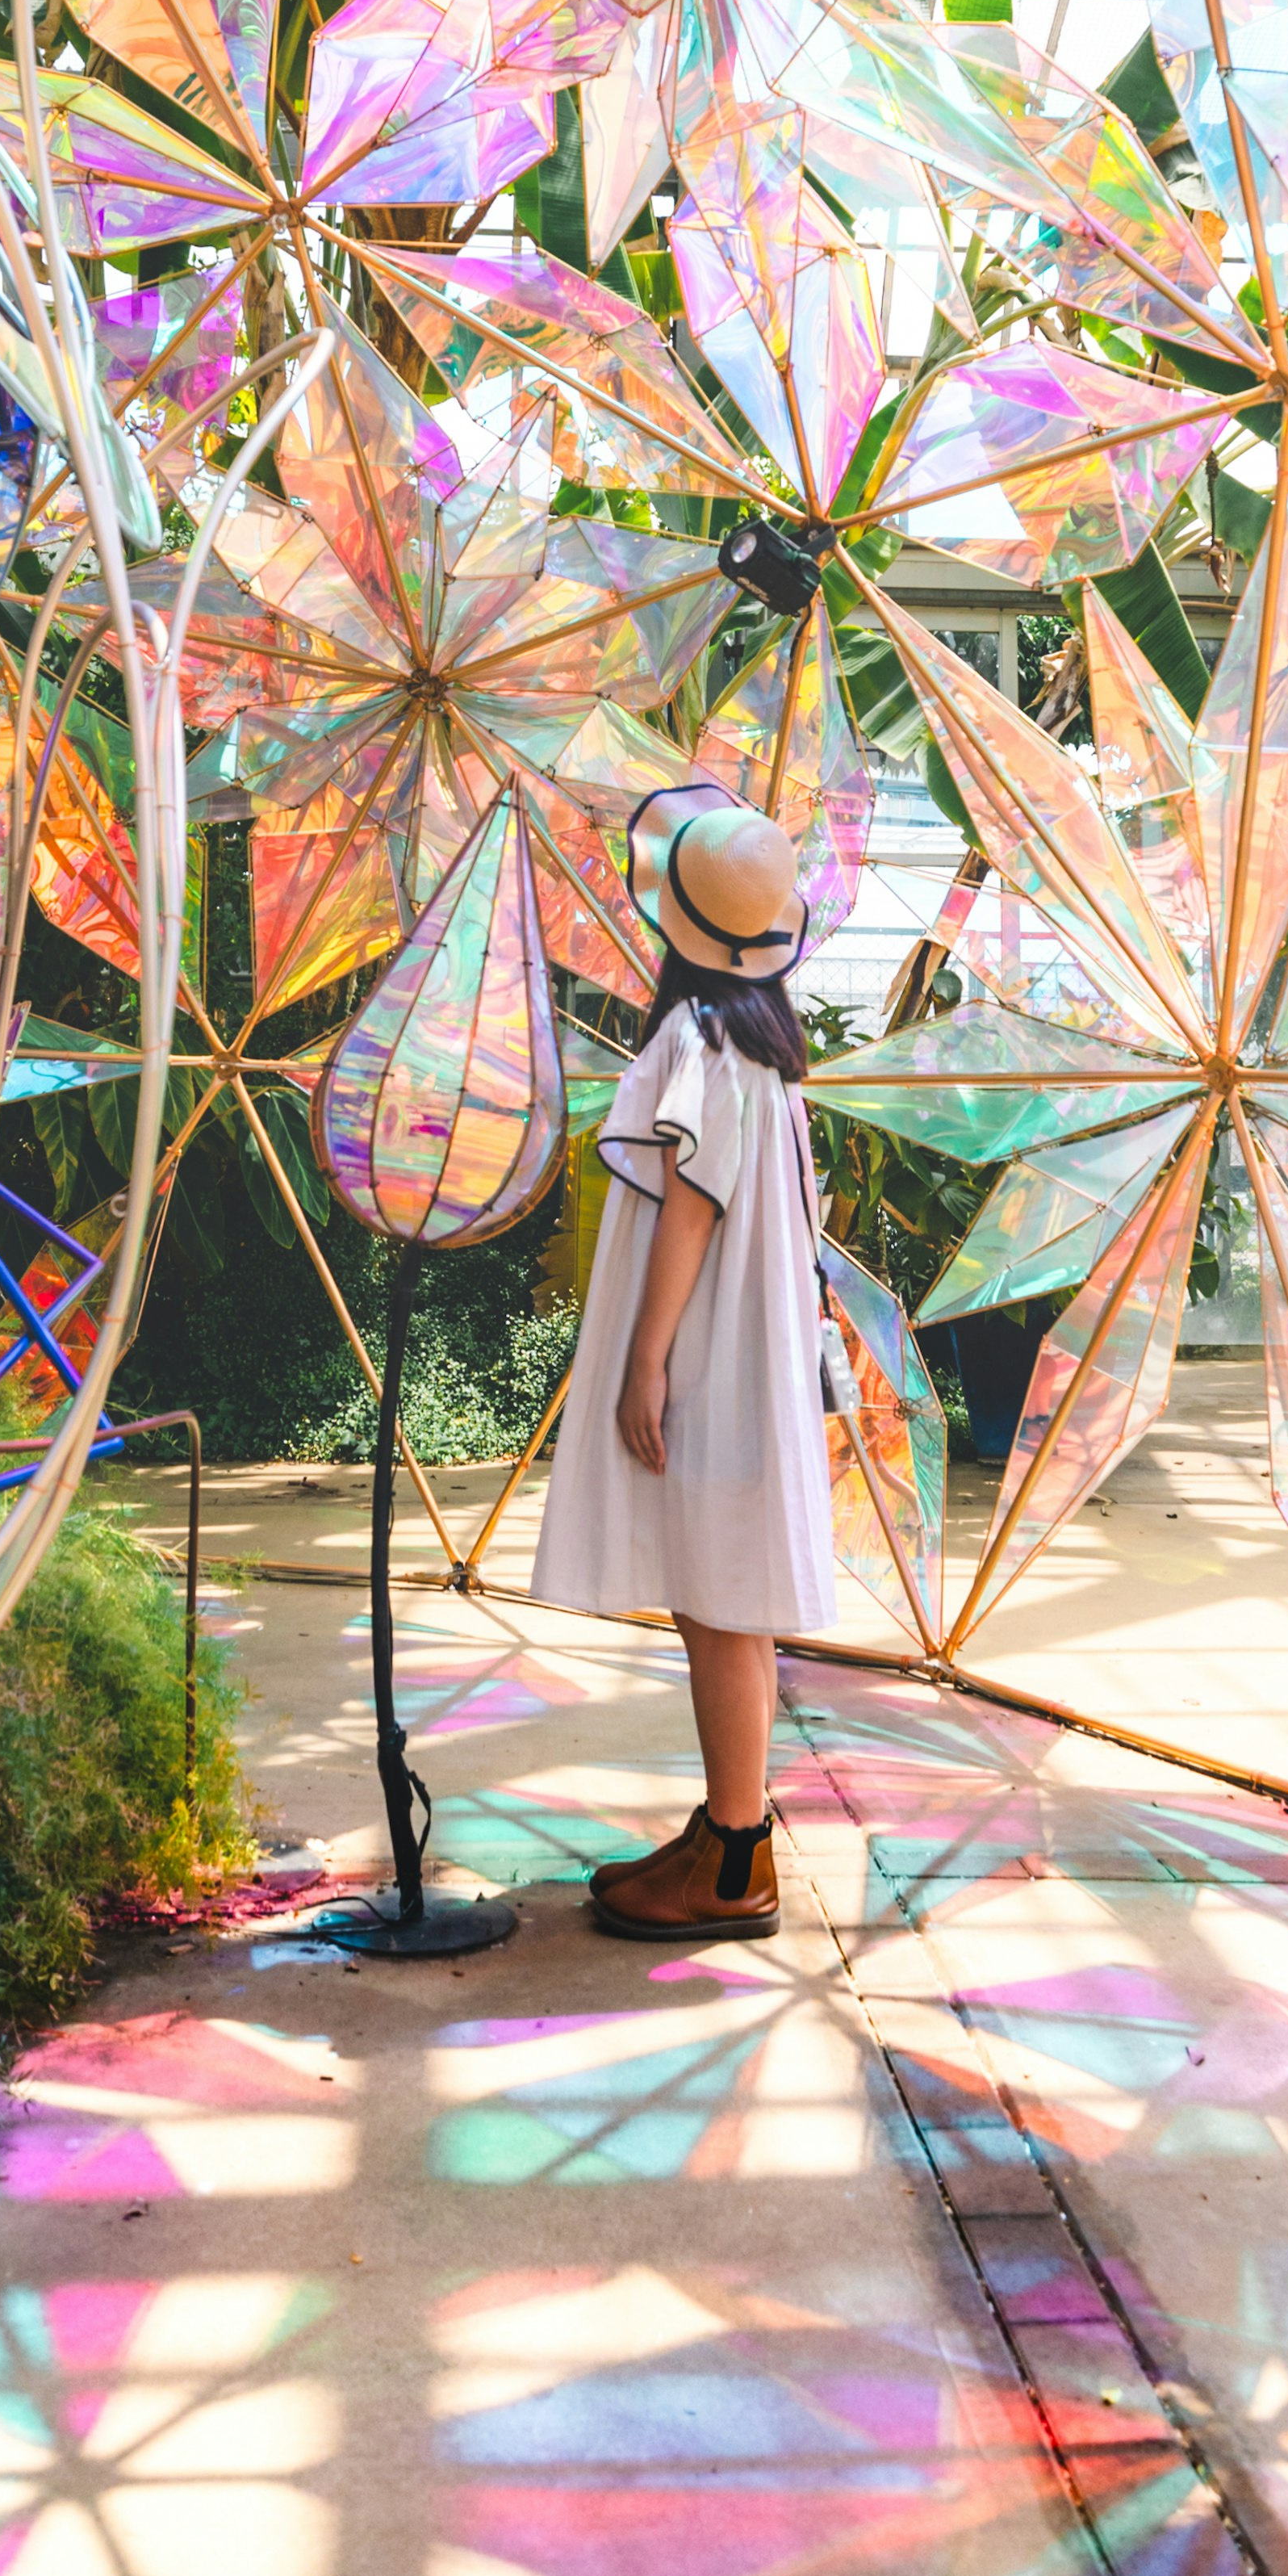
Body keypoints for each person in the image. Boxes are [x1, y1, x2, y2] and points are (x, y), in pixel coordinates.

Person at [530, 781, 837, 1942]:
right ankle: (727, 1832)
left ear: (678, 929)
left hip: (708, 1355)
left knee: (715, 1606)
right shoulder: (763, 1049)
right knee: (734, 1603)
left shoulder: (694, 1039)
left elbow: (688, 1208)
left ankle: (736, 1861)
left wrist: (642, 1360)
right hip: (750, 1358)